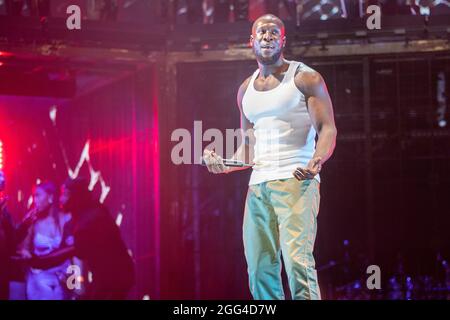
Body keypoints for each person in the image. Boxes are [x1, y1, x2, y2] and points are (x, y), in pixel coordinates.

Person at [203, 14, 337, 300]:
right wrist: (223, 165)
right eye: (261, 32)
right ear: (251, 41)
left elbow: (327, 128)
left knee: (297, 263)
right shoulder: (245, 91)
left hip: (296, 181)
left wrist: (316, 160)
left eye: (274, 32)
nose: (267, 36)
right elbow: (249, 149)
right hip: (259, 186)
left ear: (283, 40)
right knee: (259, 268)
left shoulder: (305, 78)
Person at [29, 177, 135, 300]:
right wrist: (38, 261)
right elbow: (64, 251)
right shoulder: (73, 221)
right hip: (102, 276)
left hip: (117, 275)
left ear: (77, 197)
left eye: (66, 195)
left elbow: (71, 250)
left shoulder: (94, 217)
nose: (61, 199)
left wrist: (38, 261)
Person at [17, 181, 73, 300]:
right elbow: (23, 248)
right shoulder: (33, 221)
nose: (35, 200)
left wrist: (75, 283)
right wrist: (25, 253)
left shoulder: (67, 218)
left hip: (62, 280)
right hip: (39, 281)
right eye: (34, 196)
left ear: (51, 197)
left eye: (38, 195)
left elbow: (75, 253)